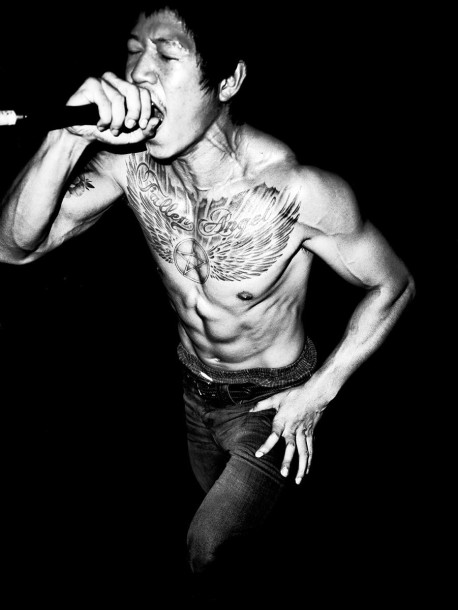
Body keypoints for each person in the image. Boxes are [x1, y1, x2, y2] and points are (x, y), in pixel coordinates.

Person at [0, 1, 415, 602]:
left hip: (273, 404)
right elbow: (14, 248)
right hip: (193, 392)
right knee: (229, 522)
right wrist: (64, 139)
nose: (140, 73)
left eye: (167, 56)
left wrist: (318, 394)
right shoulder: (131, 166)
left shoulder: (296, 191)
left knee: (207, 547)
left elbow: (393, 285)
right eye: (134, 52)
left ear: (228, 81)